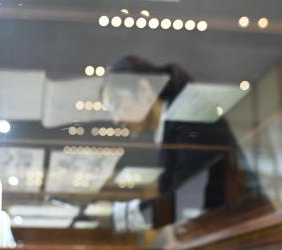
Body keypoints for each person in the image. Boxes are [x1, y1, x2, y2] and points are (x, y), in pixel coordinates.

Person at [101, 56, 265, 232]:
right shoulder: (174, 125)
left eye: (117, 104)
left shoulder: (190, 116)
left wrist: (119, 216)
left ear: (143, 88)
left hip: (244, 231)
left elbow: (188, 199)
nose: (116, 120)